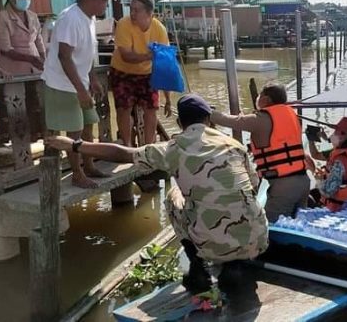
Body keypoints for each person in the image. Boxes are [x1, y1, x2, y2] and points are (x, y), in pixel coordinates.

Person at [45, 93, 269, 294]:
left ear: (180, 123)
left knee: (173, 197)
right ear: (209, 120)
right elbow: (255, 184)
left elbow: (124, 154)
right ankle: (234, 264)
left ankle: (198, 268)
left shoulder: (174, 147)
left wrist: (75, 145)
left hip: (213, 245)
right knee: (237, 199)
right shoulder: (234, 144)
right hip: (259, 239)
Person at [42, 0, 112, 188]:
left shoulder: (89, 18)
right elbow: (65, 56)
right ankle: (77, 174)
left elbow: (87, 52)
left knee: (89, 123)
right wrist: (80, 90)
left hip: (79, 81)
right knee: (74, 131)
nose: (106, 5)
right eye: (104, 0)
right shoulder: (70, 18)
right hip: (61, 84)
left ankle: (88, 165)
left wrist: (91, 78)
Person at [210, 83, 310, 222]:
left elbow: (230, 121)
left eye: (260, 95)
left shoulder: (261, 119)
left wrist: (209, 113)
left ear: (267, 99)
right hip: (303, 181)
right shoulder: (292, 115)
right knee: (298, 225)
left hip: (284, 186)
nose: (258, 98)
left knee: (273, 230)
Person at [110, 0, 172, 146]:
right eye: (131, 9)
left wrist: (168, 99)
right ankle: (127, 146)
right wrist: (149, 56)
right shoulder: (124, 24)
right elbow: (127, 56)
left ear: (150, 13)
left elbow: (164, 65)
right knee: (124, 109)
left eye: (137, 10)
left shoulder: (159, 30)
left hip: (147, 74)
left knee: (151, 110)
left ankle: (149, 147)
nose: (132, 13)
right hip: (123, 72)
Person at [0, 0, 45, 75]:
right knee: (15, 91)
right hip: (11, 70)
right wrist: (31, 59)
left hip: (35, 69)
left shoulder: (33, 16)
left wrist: (43, 58)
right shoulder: (0, 18)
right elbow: (5, 49)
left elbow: (38, 40)